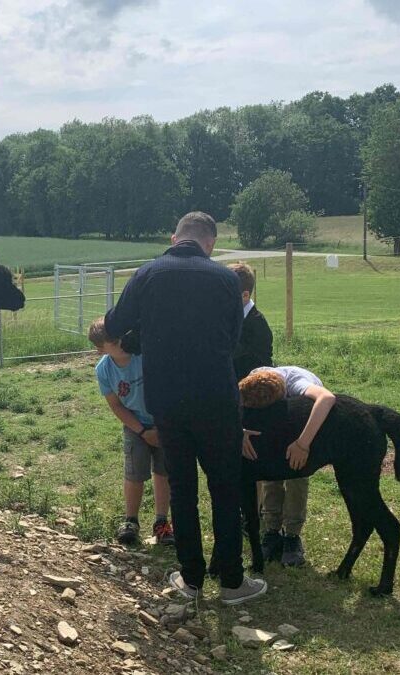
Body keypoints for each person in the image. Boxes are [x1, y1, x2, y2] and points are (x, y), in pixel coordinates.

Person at [104, 211, 267, 605]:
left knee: (182, 488)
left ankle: (191, 579)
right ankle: (232, 582)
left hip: (168, 401)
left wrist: (145, 331)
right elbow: (233, 338)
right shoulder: (227, 280)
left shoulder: (147, 274)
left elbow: (114, 324)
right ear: (210, 243)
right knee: (225, 488)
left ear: (174, 238)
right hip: (217, 398)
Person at [87, 319, 174, 547]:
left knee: (163, 471)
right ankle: (131, 521)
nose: (122, 344)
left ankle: (162, 522)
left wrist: (161, 426)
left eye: (122, 337)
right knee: (134, 473)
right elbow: (116, 406)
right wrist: (143, 431)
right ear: (101, 349)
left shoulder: (143, 355)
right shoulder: (104, 370)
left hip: (164, 422)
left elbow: (168, 386)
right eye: (115, 342)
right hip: (136, 426)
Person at [240, 366, 336, 567]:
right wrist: (241, 430)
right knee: (270, 474)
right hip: (276, 421)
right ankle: (272, 530)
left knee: (296, 474)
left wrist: (302, 444)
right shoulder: (250, 383)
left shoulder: (297, 384)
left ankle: (292, 535)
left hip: (302, 420)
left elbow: (327, 398)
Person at [229, 262, 273, 380]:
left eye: (228, 294)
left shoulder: (256, 324)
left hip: (251, 385)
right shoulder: (234, 317)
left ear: (245, 295)